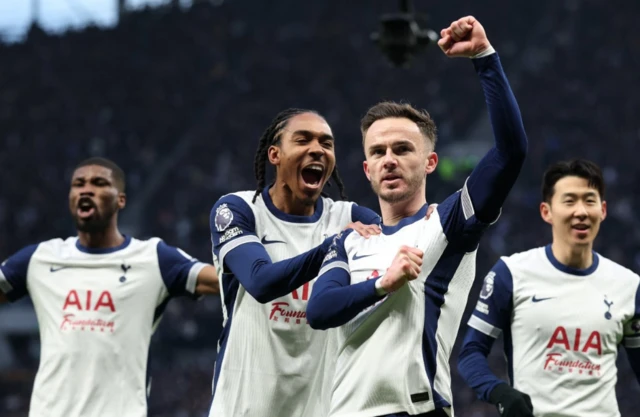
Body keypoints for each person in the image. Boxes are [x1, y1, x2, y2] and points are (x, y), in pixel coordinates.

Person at [306, 15, 528, 417]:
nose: (389, 159)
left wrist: (484, 58)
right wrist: (383, 283)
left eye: (402, 149)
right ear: (367, 169)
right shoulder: (349, 241)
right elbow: (319, 312)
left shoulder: (448, 224)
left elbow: (510, 153)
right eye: (378, 152)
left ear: (430, 162)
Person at [0, 157, 219, 417]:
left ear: (120, 200)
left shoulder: (153, 258)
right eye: (78, 184)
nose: (86, 190)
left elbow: (224, 280)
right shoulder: (40, 258)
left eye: (99, 183)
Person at [207, 108, 382, 417]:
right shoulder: (238, 209)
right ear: (275, 154)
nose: (317, 149)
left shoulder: (348, 218)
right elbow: (261, 282)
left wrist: (425, 219)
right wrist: (335, 246)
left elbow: (397, 243)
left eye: (327, 144)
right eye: (303, 140)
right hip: (239, 408)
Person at [457, 158, 640, 417]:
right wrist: (499, 392)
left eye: (589, 200)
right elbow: (470, 353)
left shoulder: (629, 286)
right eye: (569, 201)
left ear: (603, 210)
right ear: (547, 211)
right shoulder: (511, 273)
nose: (581, 211)